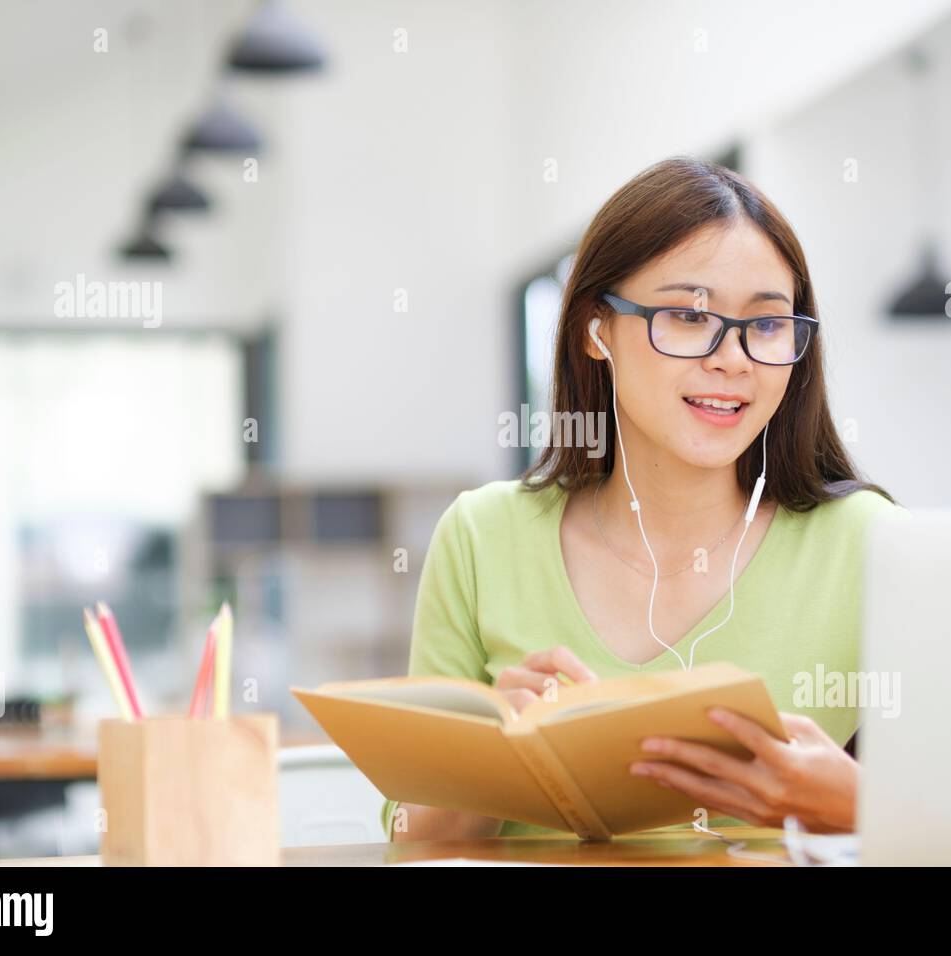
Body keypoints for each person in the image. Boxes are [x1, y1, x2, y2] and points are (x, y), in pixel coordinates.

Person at [383, 156, 905, 842]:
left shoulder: (866, 543)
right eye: (689, 315)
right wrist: (487, 762)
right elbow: (414, 841)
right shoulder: (484, 536)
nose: (734, 358)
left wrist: (859, 806)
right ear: (596, 330)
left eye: (768, 324)